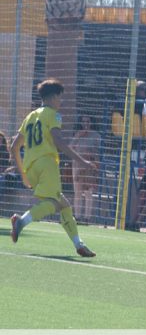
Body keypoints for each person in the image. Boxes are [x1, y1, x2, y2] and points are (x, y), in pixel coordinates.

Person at [9, 79, 97, 257]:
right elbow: (59, 141)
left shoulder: (30, 116)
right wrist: (83, 162)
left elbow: (14, 147)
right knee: (53, 202)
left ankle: (78, 244)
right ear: (54, 96)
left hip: (30, 166)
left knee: (64, 205)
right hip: (47, 165)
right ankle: (21, 221)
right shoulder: (54, 115)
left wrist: (23, 173)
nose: (61, 101)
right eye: (60, 97)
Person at [70, 115, 101, 222]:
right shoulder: (77, 134)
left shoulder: (96, 135)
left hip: (89, 166)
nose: (85, 124)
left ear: (91, 122)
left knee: (88, 192)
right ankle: (77, 217)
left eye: (88, 121)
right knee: (77, 192)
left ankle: (87, 218)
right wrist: (77, 137)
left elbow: (98, 152)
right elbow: (70, 149)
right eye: (83, 122)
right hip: (77, 166)